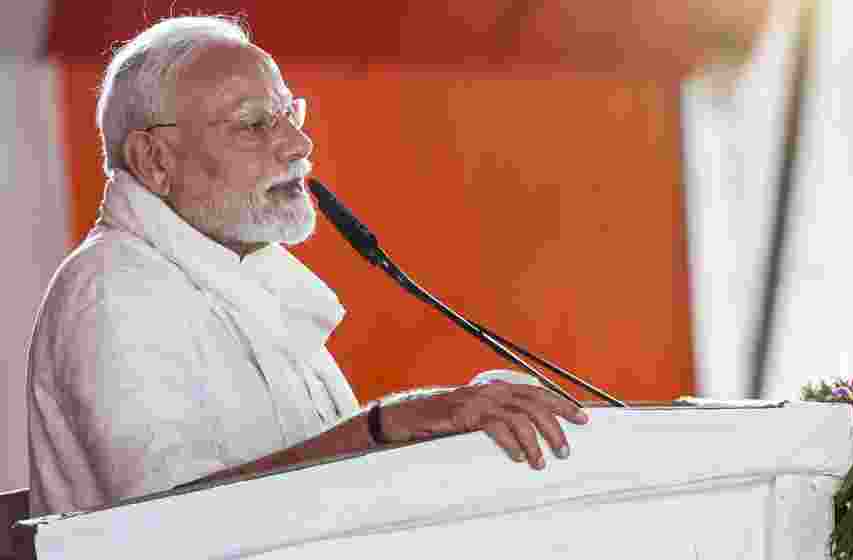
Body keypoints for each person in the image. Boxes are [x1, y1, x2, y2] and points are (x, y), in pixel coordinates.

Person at [26, 15, 588, 517]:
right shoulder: (112, 291)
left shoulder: (241, 271)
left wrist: (467, 424)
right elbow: (167, 529)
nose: (299, 144)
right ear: (155, 161)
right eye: (253, 125)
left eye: (289, 114)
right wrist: (388, 426)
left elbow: (326, 492)